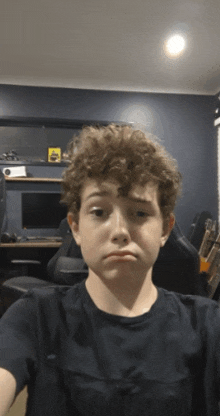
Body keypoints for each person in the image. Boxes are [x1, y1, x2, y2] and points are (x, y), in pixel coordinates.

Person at [0, 124, 219, 416]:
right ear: (76, 227)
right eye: (99, 212)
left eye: (139, 213)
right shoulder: (34, 317)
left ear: (165, 229)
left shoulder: (208, 325)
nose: (119, 231)